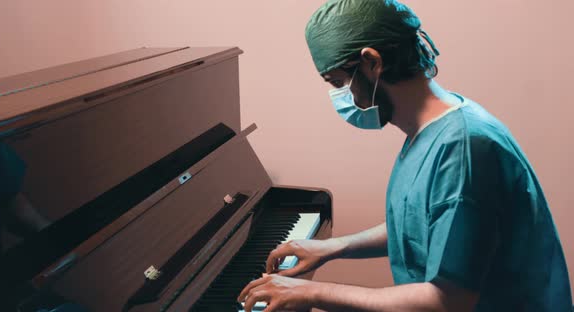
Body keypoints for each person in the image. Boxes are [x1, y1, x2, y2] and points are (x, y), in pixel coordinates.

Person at [238, 0, 573, 311]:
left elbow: (447, 300)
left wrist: (311, 292)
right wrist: (333, 247)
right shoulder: (437, 126)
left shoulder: (463, 149)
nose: (339, 96)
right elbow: (421, 223)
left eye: (339, 80)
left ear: (372, 62)